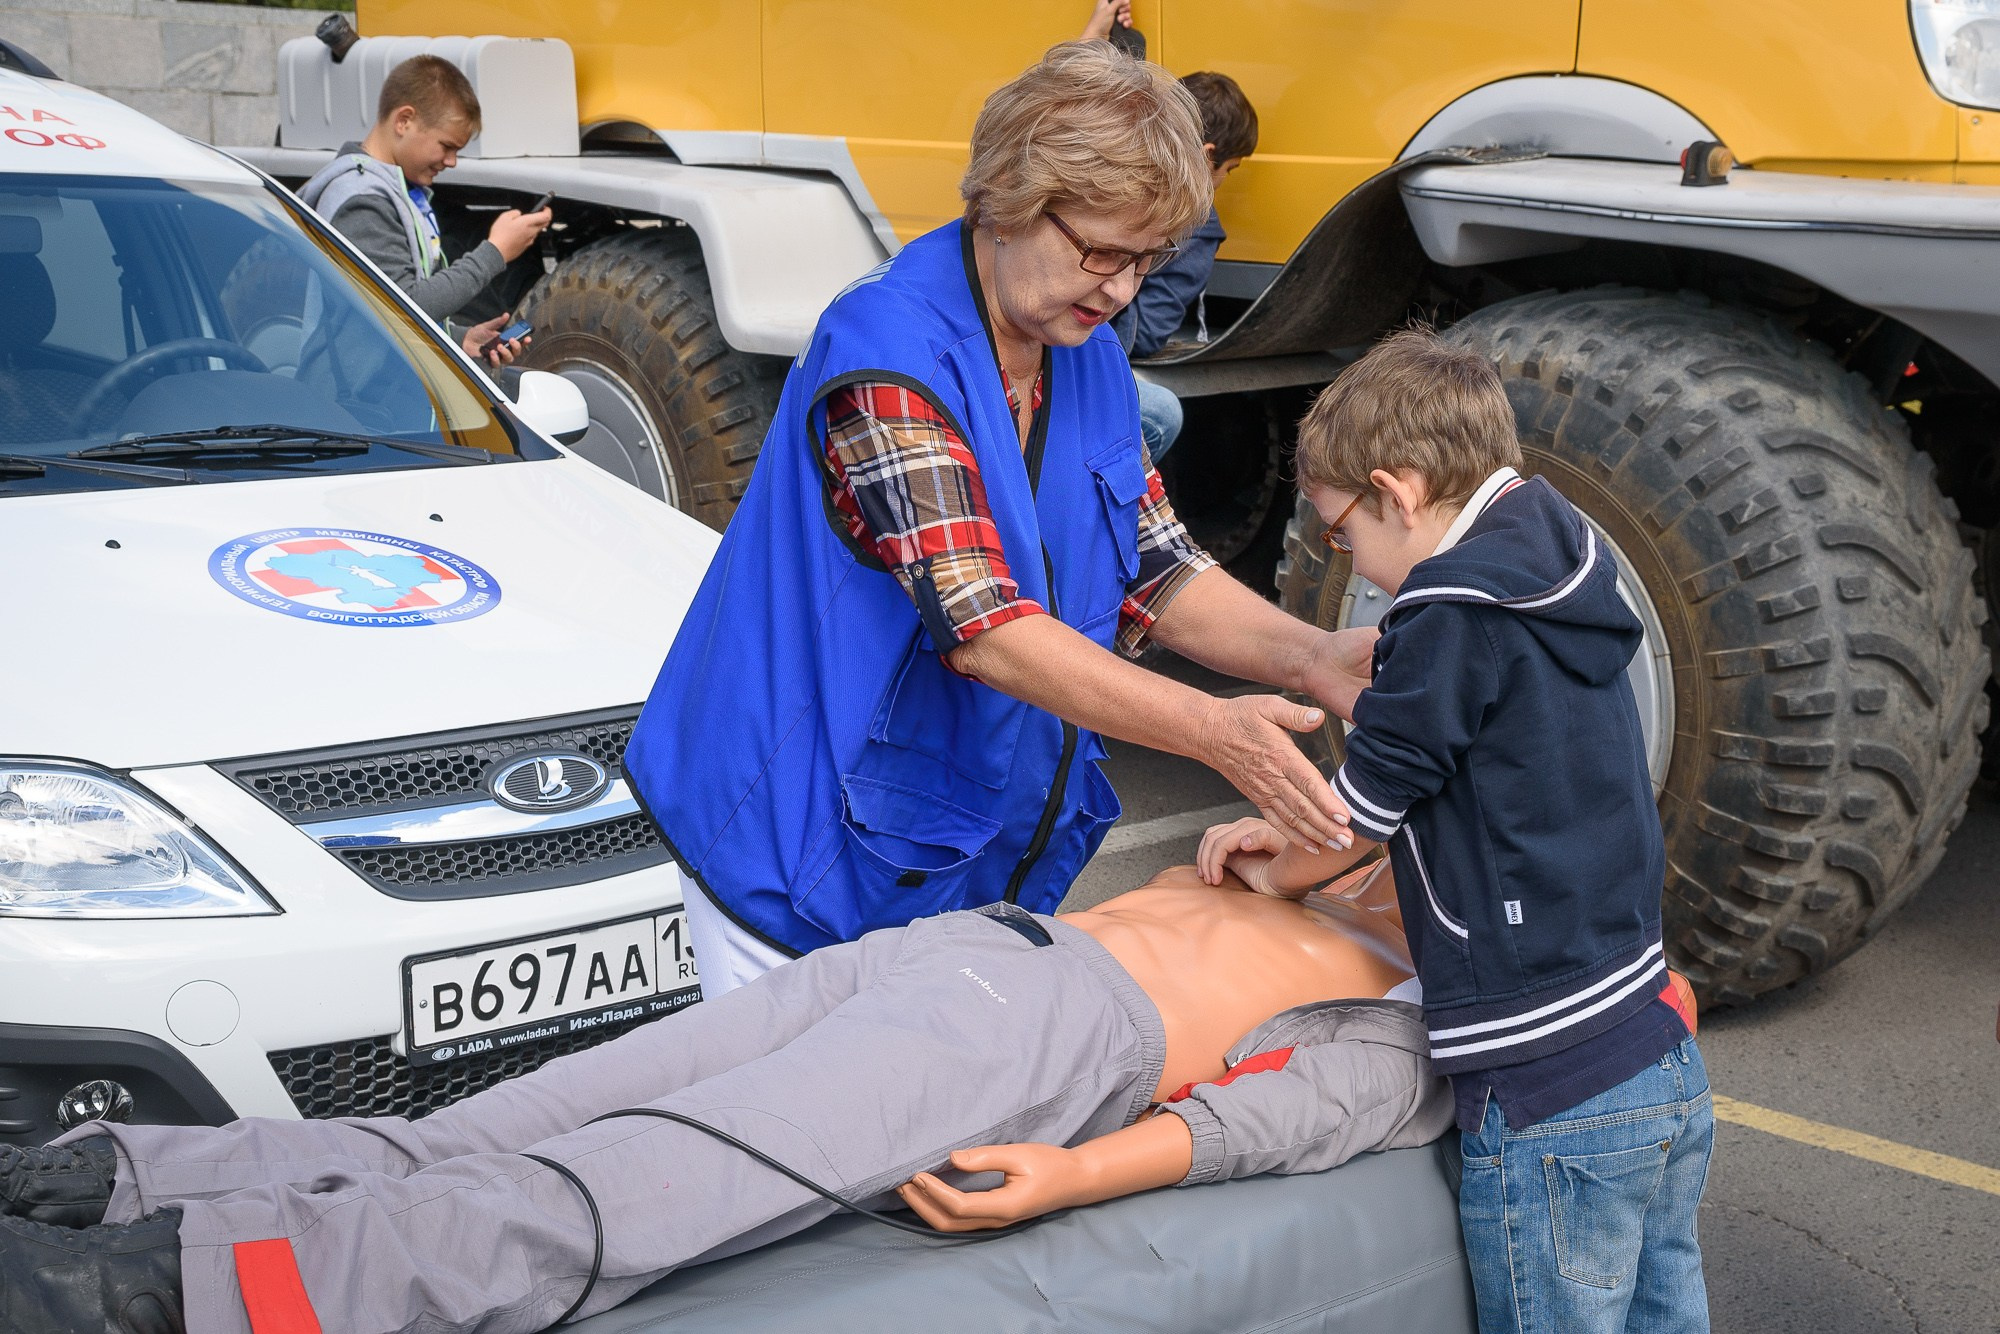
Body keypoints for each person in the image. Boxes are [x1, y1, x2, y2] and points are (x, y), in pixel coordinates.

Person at [624, 42, 1377, 998]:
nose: (1119, 289)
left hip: (953, 844)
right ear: (1008, 199)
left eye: (1147, 261)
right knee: (804, 1128)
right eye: (1099, 251)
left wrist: (1310, 656)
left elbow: (1154, 561)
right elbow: (983, 630)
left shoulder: (1084, 345)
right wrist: (1207, 728)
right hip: (802, 842)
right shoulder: (889, 356)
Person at [0, 861, 1451, 1334]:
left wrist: (1071, 1174)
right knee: (545, 1161)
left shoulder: (1433, 1014)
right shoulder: (1343, 845)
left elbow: (1259, 1122)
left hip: (1037, 1010)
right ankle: (125, 1207)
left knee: (585, 1182)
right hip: (983, 954)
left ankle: (137, 1248)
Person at [1196, 325, 1713, 1334]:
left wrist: (1272, 863)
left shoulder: (1444, 614)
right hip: (1653, 1044)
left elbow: (1360, 810)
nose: (1350, 557)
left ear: (1393, 492)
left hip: (1545, 1086)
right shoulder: (1557, 550)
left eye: (1339, 528)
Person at [297, 54, 550, 368]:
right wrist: (496, 251)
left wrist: (459, 339)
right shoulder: (360, 200)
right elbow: (403, 306)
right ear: (404, 121)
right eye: (447, 146)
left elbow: (385, 317)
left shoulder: (387, 190)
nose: (452, 161)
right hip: (358, 404)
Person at [1110, 70, 1259, 462]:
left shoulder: (1109, 175)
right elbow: (1145, 334)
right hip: (1100, 353)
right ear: (1209, 155)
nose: (1225, 179)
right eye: (1231, 168)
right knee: (1161, 416)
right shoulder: (1199, 226)